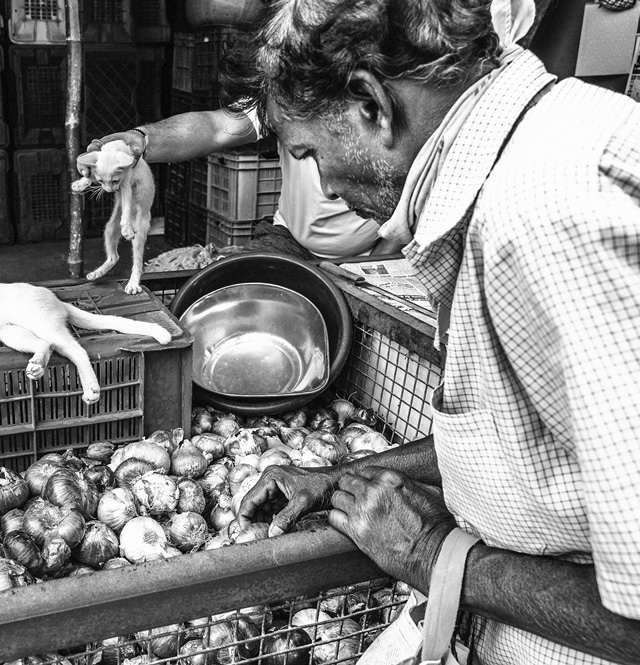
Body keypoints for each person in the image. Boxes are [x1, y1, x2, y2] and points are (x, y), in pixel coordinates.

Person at [224, 0, 640, 663]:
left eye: (308, 152)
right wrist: (348, 475)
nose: (322, 185)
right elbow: (518, 444)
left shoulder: (540, 216)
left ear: (371, 104)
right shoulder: (521, 160)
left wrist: (433, 553)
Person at [84, 109, 402, 261]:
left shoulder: (397, 113)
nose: (329, 189)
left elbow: (416, 212)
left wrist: (371, 265)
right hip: (289, 238)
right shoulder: (286, 91)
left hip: (371, 251)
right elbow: (216, 127)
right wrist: (142, 139)